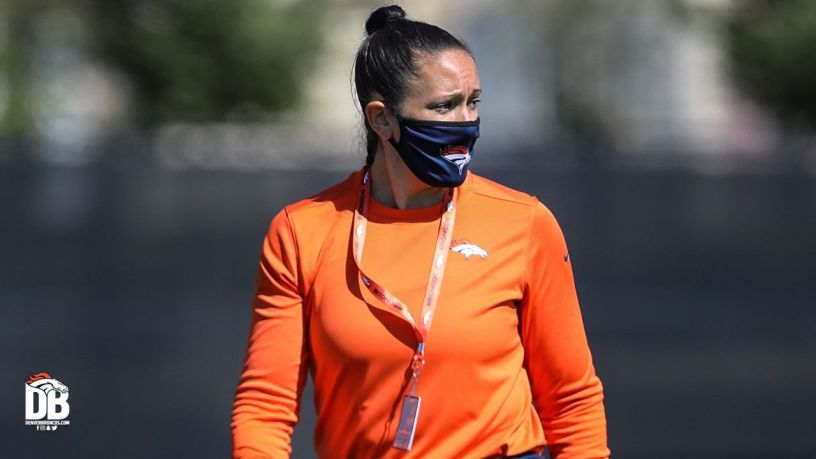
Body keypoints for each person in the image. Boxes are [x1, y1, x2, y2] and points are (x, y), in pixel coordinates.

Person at [231, 5, 609, 458]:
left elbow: (572, 400)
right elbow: (266, 408)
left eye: (473, 102)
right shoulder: (301, 232)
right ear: (382, 120)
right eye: (444, 106)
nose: (465, 122)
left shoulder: (524, 222)